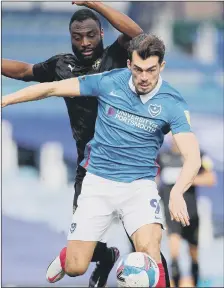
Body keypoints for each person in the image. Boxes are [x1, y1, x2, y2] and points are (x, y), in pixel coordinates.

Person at [2, 33, 201, 288]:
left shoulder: (172, 103)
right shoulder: (109, 82)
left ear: (161, 66)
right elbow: (51, 88)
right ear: (129, 64)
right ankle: (76, 257)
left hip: (139, 186)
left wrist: (177, 192)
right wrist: (5, 100)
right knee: (76, 267)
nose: (143, 77)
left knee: (150, 252)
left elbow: (192, 156)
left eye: (151, 70)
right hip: (98, 183)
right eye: (138, 69)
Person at [2, 2, 146, 287]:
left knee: (144, 246)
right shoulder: (62, 66)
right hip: (89, 167)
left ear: (102, 33)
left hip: (129, 165)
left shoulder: (116, 56)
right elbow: (25, 71)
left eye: (90, 35)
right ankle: (106, 257)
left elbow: (137, 33)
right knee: (83, 249)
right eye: (77, 37)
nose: (85, 42)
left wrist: (94, 3)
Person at [157, 135, 216, 287]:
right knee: (174, 251)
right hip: (171, 212)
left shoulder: (197, 155)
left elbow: (211, 178)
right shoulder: (162, 156)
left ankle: (195, 279)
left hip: (191, 212)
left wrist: (185, 179)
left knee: (193, 253)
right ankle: (175, 283)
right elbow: (154, 179)